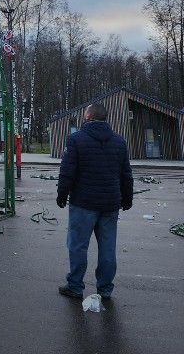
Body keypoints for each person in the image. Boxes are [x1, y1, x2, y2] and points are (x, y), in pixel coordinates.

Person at [55, 102, 133, 301]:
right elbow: (126, 174)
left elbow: (67, 171)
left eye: (84, 114)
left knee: (78, 245)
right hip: (110, 203)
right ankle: (105, 289)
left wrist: (62, 194)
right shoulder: (118, 141)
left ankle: (75, 286)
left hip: (83, 202)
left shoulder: (76, 140)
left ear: (88, 117)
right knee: (108, 247)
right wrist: (127, 198)